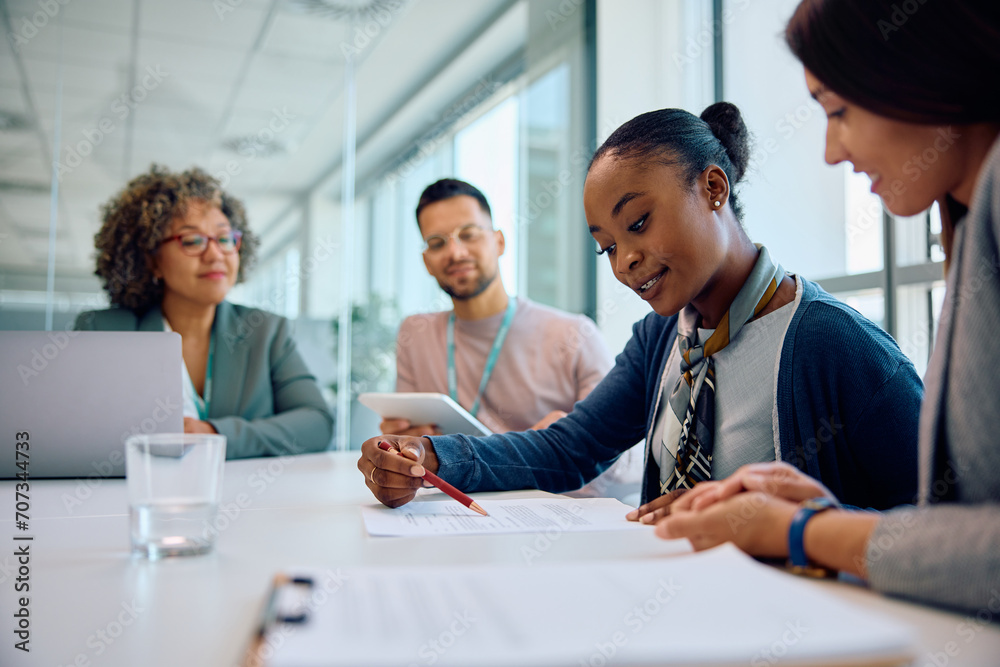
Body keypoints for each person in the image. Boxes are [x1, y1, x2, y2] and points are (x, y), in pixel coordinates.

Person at [358, 102, 924, 515]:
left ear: (713, 188)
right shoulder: (662, 338)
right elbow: (569, 449)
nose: (624, 261)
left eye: (637, 224)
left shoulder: (834, 344)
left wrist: (801, 529)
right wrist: (431, 456)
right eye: (606, 246)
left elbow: (945, 529)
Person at [653, 0, 1000, 615]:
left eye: (838, 110)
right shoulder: (972, 229)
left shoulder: (826, 333)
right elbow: (956, 528)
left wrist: (802, 533)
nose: (831, 152)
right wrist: (826, 517)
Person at [382, 178, 636, 497]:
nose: (455, 252)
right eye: (437, 243)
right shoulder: (415, 335)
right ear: (426, 262)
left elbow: (622, 461)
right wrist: (405, 442)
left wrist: (567, 443)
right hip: (453, 508)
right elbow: (404, 432)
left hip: (550, 512)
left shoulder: (573, 334)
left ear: (499, 242)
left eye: (469, 234)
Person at [75, 165, 334, 459]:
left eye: (224, 239)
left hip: (249, 501)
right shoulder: (103, 332)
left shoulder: (265, 330)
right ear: (151, 260)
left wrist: (215, 434)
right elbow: (76, 433)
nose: (215, 255)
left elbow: (317, 423)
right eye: (192, 241)